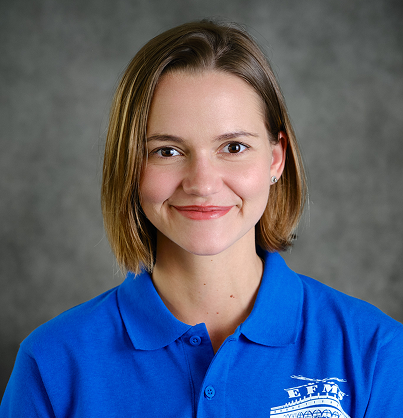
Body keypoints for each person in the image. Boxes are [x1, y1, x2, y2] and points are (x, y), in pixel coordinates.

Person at [1, 20, 402, 417]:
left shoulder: (376, 352)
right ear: (129, 165)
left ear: (276, 159)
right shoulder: (51, 364)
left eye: (233, 146)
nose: (203, 184)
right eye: (167, 151)